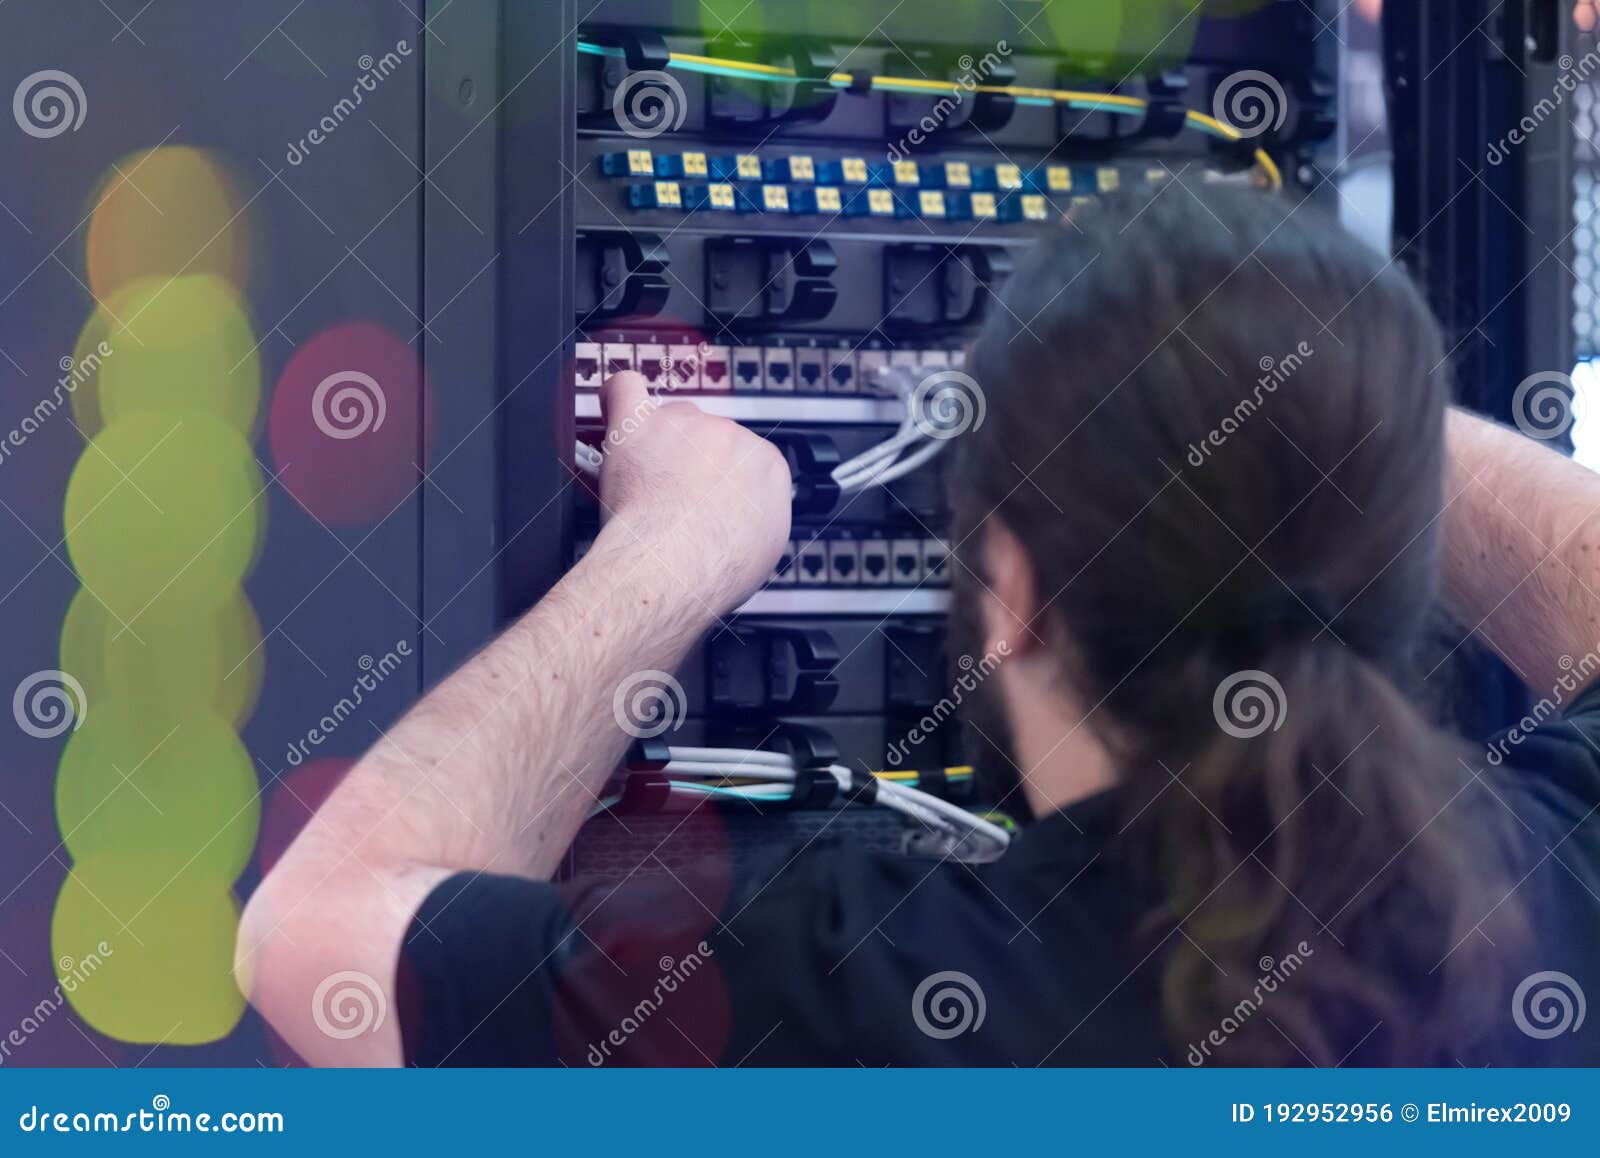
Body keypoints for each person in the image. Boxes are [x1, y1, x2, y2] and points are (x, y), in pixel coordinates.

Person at [236, 186, 1600, 1067]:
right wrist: (1309, 409)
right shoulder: (1551, 891)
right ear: (1399, 555)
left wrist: (672, 553)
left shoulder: (862, 992)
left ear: (1013, 592)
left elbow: (311, 933)